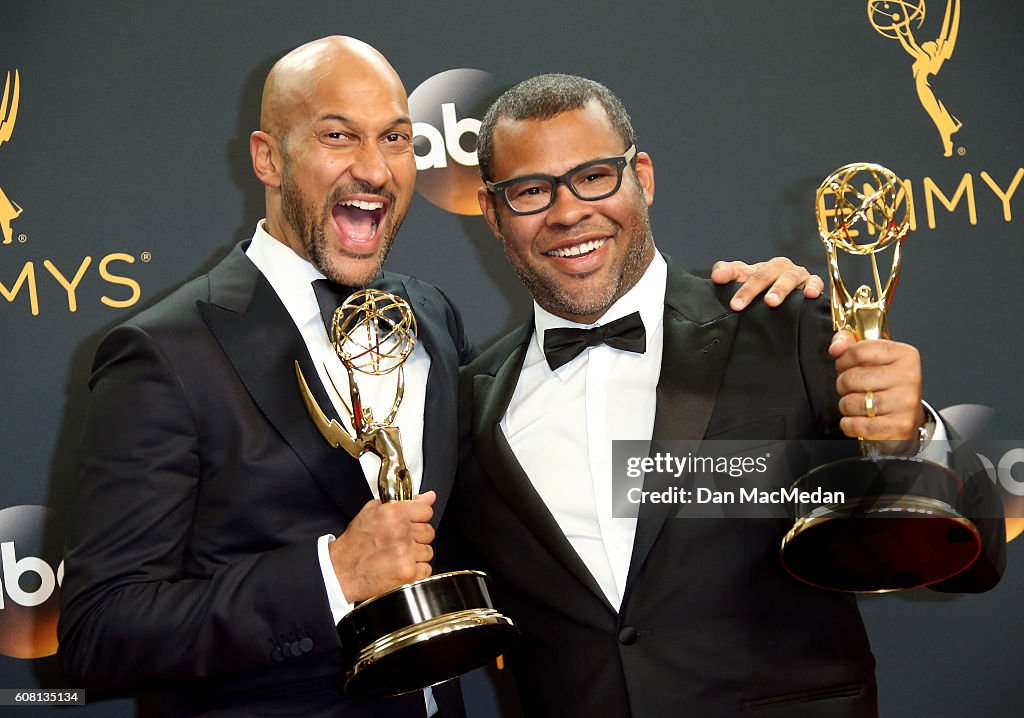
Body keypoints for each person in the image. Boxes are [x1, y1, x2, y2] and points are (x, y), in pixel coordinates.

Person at [56, 38, 817, 717]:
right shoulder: (164, 353)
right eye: (336, 136)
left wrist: (750, 324)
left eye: (393, 138)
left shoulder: (427, 317)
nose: (373, 167)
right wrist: (331, 574)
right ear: (266, 157)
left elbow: (687, 499)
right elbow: (99, 634)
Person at [451, 74, 1006, 717]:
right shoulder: (468, 408)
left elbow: (977, 558)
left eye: (595, 175)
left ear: (643, 177)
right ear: (492, 214)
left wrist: (914, 438)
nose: (569, 210)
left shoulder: (783, 325)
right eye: (530, 191)